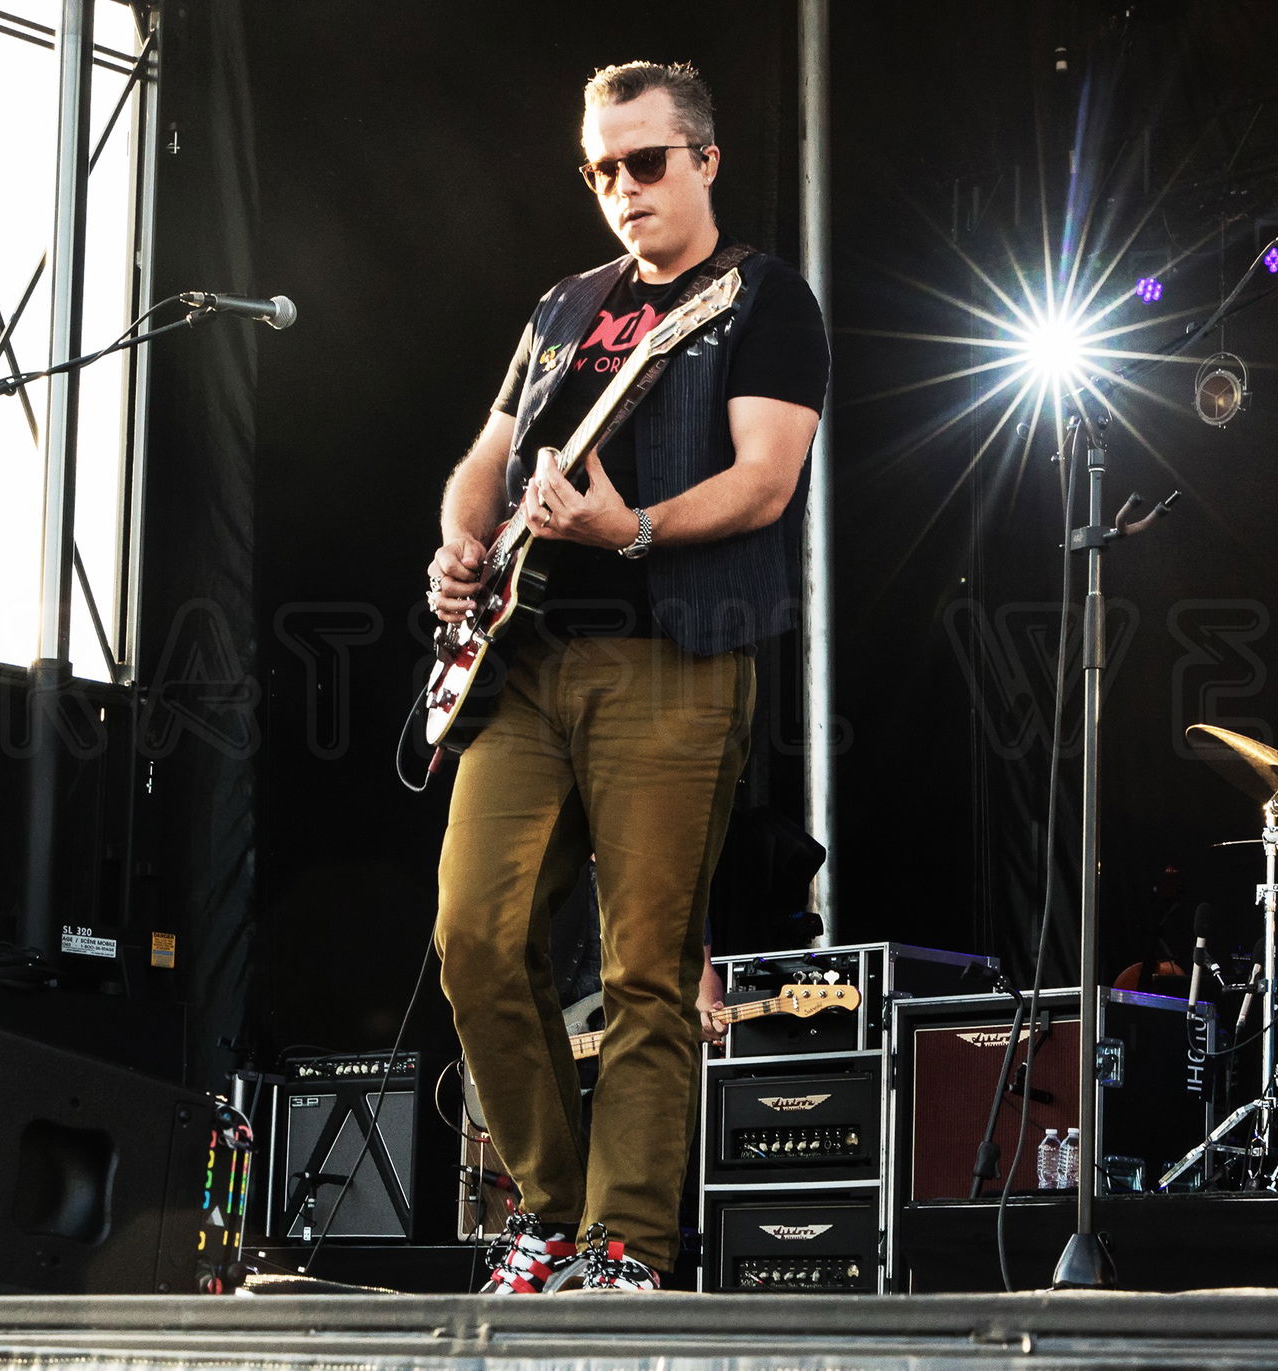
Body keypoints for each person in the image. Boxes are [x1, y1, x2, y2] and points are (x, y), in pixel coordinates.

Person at [427, 59, 828, 1292]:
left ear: (704, 159)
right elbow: (488, 455)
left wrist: (631, 528)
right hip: (524, 662)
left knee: (645, 968)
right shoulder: (566, 303)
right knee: (474, 937)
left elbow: (767, 478)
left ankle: (626, 1245)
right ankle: (550, 1214)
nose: (622, 189)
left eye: (645, 162)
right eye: (600, 169)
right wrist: (460, 547)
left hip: (673, 662)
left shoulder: (761, 299)